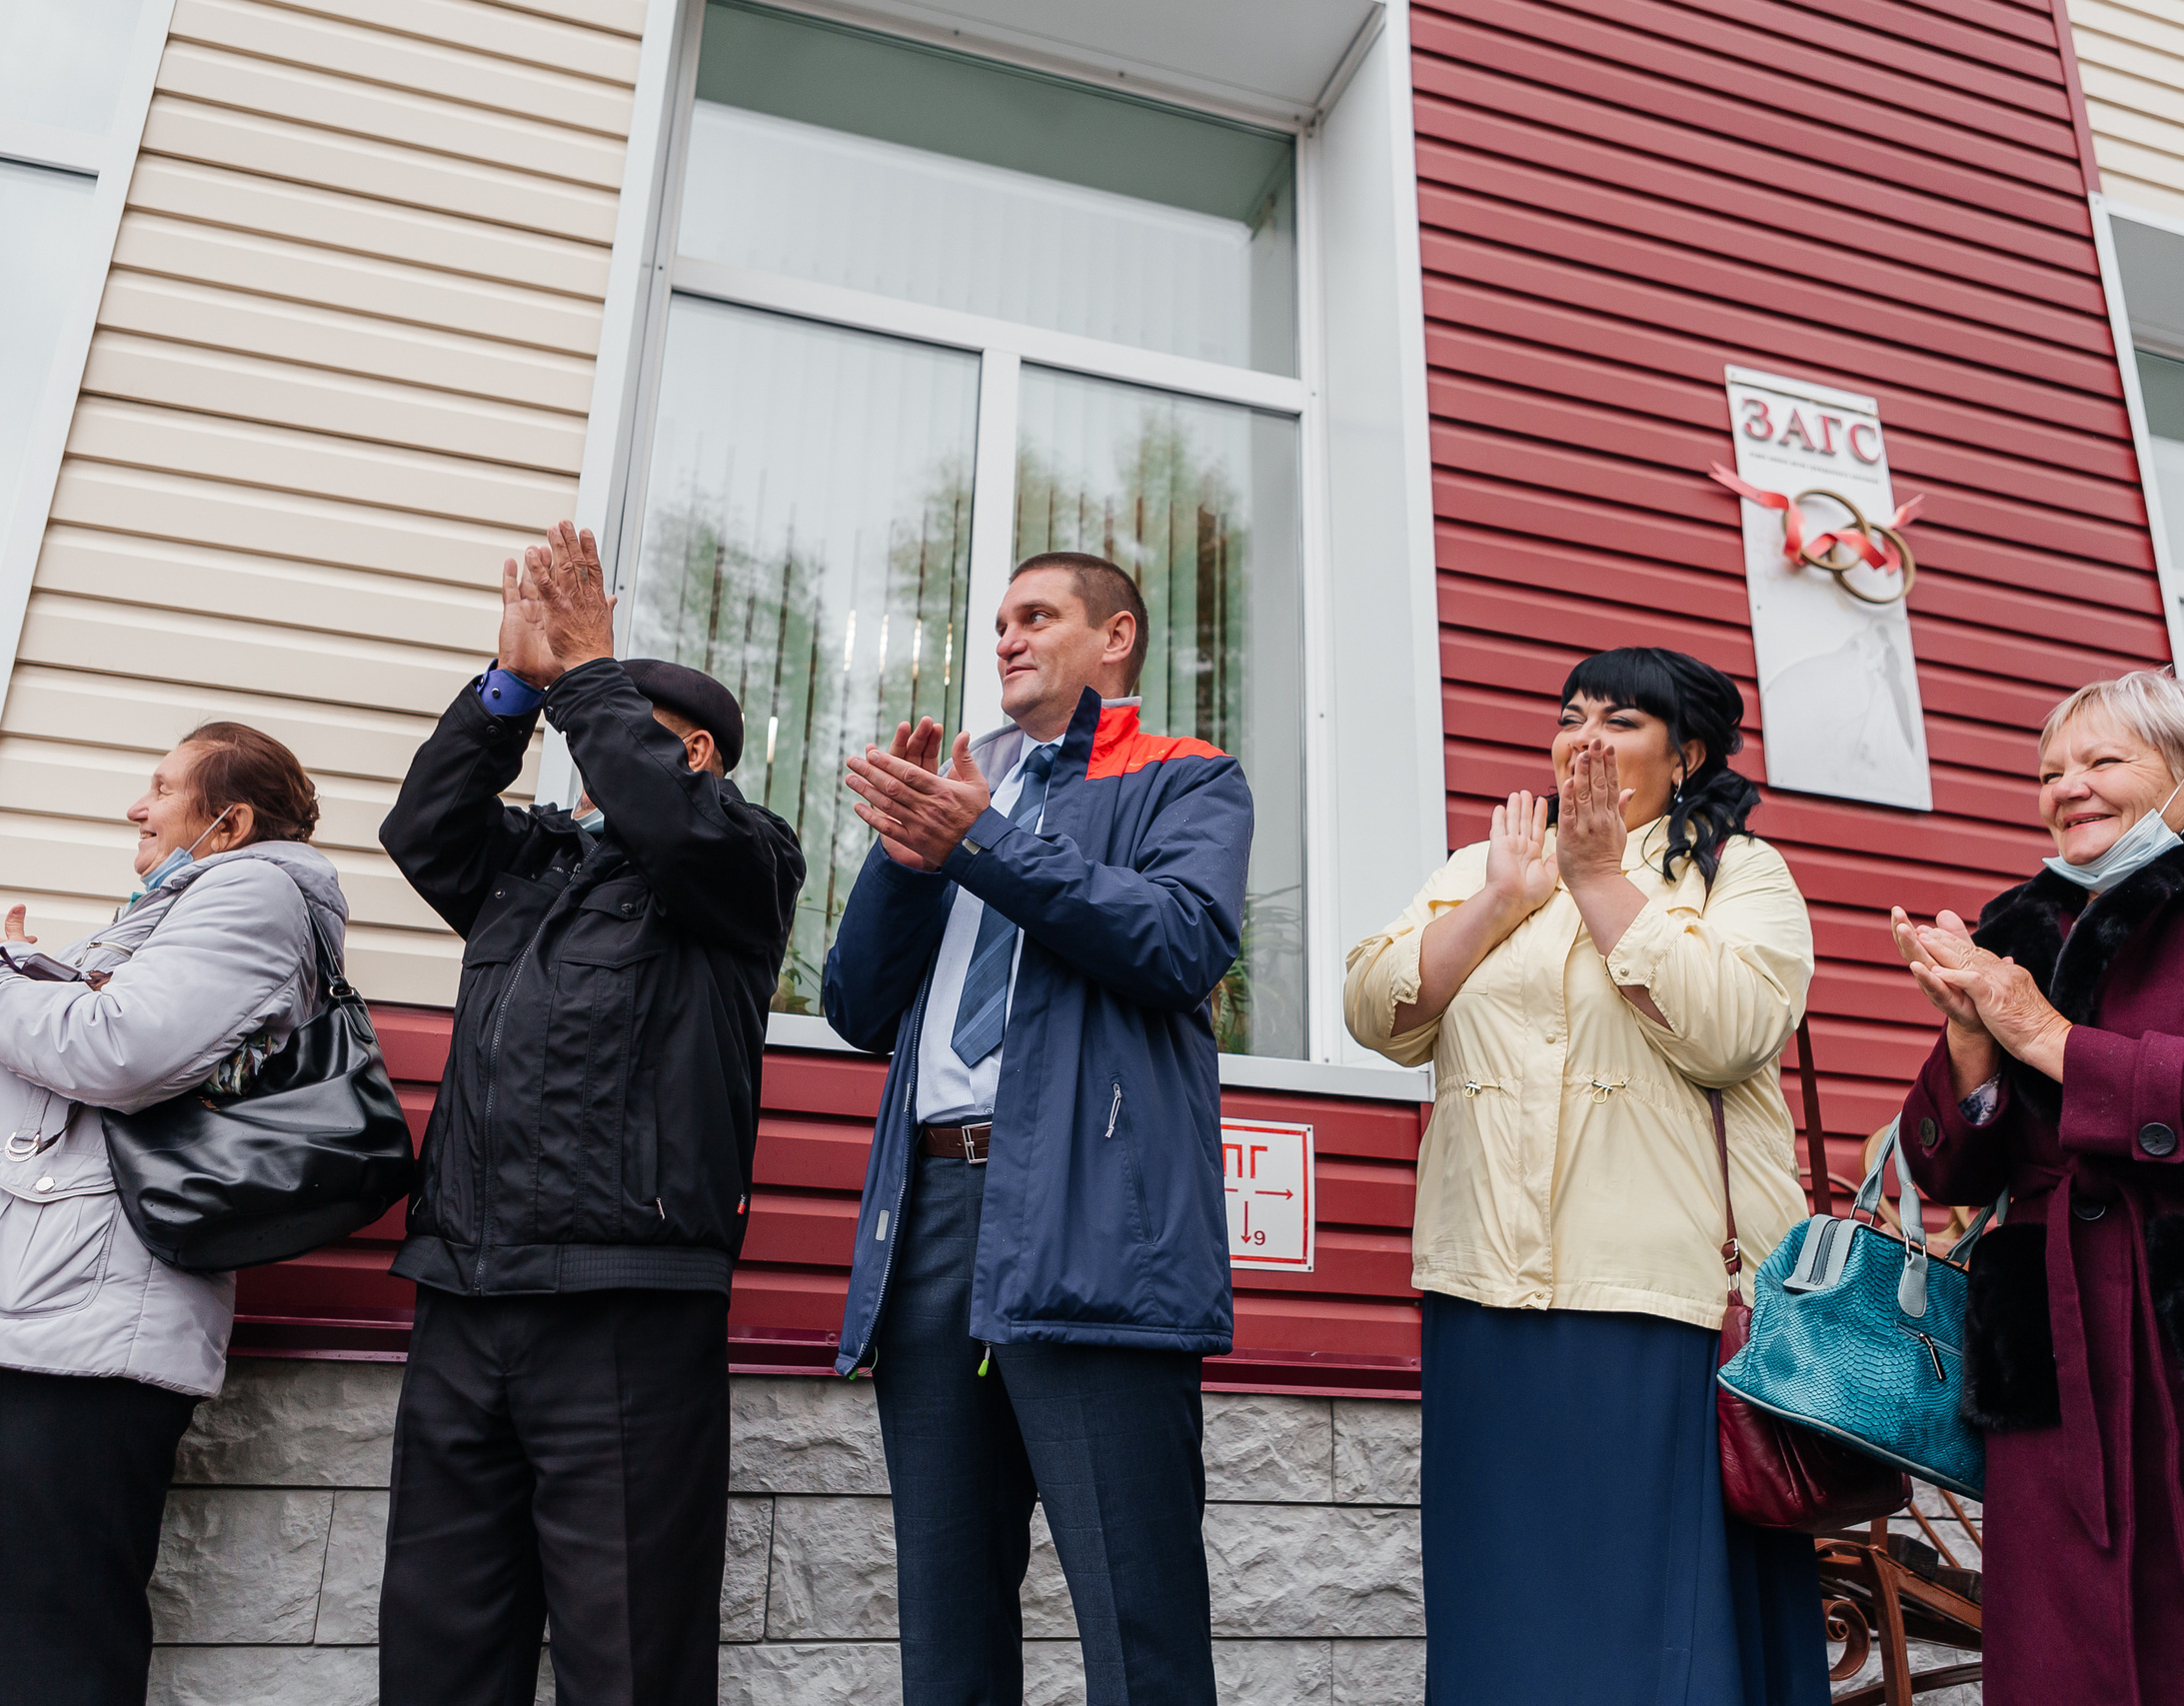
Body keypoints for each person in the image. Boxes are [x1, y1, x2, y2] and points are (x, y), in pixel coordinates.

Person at [1345, 647, 1829, 1706]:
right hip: (1484, 1283)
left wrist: (1604, 881)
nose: (1585, 738)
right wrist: (1498, 903)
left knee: (1648, 1604)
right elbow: (1376, 1012)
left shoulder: (1737, 870)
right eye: (1572, 716)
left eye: (1620, 721)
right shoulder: (1488, 866)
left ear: (1685, 755)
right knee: (1505, 1591)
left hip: (1656, 1290)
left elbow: (1733, 1031)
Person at [375, 522, 804, 1706]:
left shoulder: (741, 860)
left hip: (623, 1304)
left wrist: (590, 673)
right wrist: (508, 688)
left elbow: (666, 820)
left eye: (617, 729)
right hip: (466, 1293)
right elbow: (422, 828)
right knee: (439, 1646)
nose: (588, 761)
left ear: (699, 751)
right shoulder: (535, 867)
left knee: (630, 1656)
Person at [823, 551, 1254, 1705]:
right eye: (1000, 621)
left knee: (1136, 1614)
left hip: (1088, 1218)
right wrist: (910, 864)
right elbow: (859, 1008)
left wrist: (981, 845)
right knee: (946, 1615)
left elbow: (1180, 942)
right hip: (932, 1217)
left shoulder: (1187, 777)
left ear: (1114, 639)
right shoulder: (971, 792)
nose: (1005, 637)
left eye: (1037, 616)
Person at [1889, 670, 2184, 1706]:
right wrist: (1973, 1041)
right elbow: (1950, 1168)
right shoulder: (2019, 943)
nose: (2068, 788)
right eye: (2050, 772)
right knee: (2064, 1663)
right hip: (2058, 1354)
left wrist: (2055, 1043)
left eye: (2103, 761)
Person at [0, 723, 342, 1706]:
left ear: (229, 822)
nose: (135, 804)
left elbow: (120, 1055)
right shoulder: (140, 927)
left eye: (160, 786)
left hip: (86, 1324)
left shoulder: (254, 893)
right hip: (11, 1308)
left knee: (44, 1659)